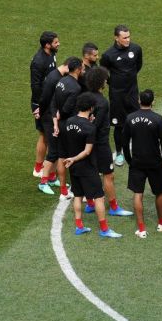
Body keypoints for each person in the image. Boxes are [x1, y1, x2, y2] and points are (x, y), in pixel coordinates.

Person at [61, 93, 122, 238]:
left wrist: (71, 160)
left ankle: (79, 226)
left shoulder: (69, 122)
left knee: (78, 195)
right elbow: (87, 151)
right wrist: (74, 159)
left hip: (73, 168)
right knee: (99, 197)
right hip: (86, 167)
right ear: (91, 108)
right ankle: (104, 229)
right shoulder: (90, 128)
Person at [83, 66, 133, 217]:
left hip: (86, 143)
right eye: (104, 79)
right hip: (100, 143)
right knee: (108, 175)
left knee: (91, 173)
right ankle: (113, 206)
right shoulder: (102, 102)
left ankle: (91, 203)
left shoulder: (85, 97)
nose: (106, 80)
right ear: (100, 82)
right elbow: (96, 126)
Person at [122, 90, 162, 239]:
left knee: (138, 194)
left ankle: (141, 228)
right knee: (159, 192)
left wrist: (130, 161)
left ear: (139, 101)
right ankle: (161, 223)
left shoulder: (130, 118)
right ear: (153, 102)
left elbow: (124, 143)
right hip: (155, 162)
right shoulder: (158, 119)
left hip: (137, 162)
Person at [100, 24, 143, 167]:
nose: (128, 40)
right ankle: (119, 153)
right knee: (118, 125)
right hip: (117, 95)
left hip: (132, 93)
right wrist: (115, 82)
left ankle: (137, 150)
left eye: (129, 36)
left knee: (137, 121)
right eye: (124, 38)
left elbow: (138, 66)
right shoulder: (108, 55)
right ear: (116, 38)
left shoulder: (136, 49)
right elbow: (104, 73)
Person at [49, 57, 84, 199]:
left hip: (61, 125)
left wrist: (56, 122)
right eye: (82, 67)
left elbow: (53, 102)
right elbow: (67, 108)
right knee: (74, 157)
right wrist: (61, 116)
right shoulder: (76, 87)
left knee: (61, 156)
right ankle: (78, 189)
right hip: (70, 126)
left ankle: (63, 191)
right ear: (77, 69)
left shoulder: (61, 81)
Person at [36, 59, 70, 195]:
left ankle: (51, 177)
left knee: (58, 149)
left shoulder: (59, 77)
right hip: (50, 118)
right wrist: (41, 113)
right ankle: (43, 182)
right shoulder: (53, 78)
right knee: (54, 150)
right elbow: (44, 99)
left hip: (53, 117)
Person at [30, 31, 59, 177]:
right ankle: (40, 169)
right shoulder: (38, 61)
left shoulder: (51, 54)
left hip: (50, 101)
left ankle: (40, 167)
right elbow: (35, 86)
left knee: (46, 136)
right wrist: (38, 106)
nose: (58, 44)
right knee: (46, 136)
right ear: (47, 45)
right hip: (43, 104)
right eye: (55, 42)